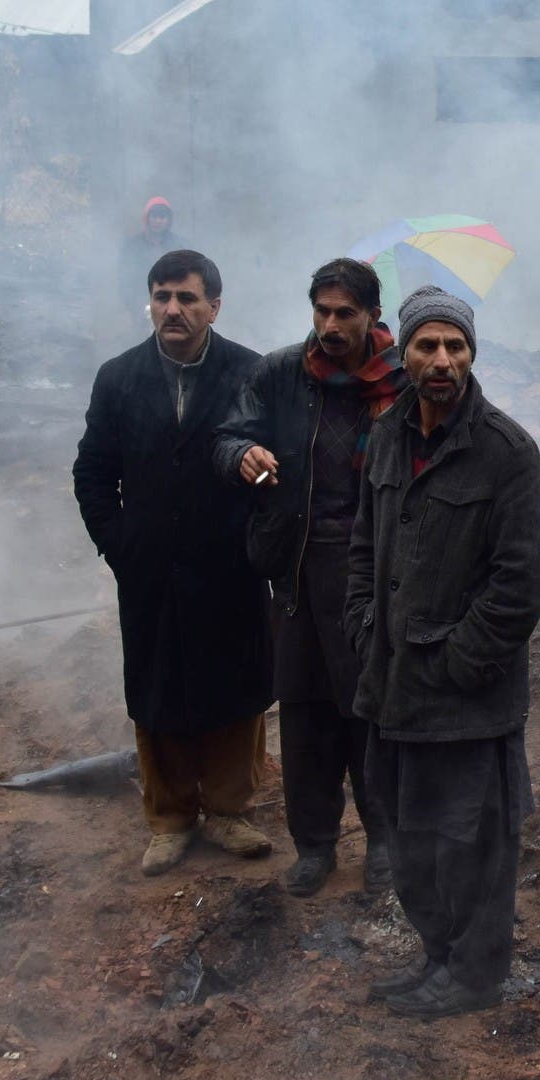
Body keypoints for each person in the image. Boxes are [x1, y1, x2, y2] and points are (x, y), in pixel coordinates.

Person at [344, 286, 540, 1019]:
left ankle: (475, 974)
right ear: (402, 351)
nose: (441, 360)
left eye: (455, 346)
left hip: (468, 702)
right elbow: (365, 543)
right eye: (427, 345)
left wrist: (458, 662)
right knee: (408, 837)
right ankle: (438, 956)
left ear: (471, 354)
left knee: (474, 848)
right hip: (391, 686)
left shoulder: (506, 452)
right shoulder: (389, 437)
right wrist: (365, 625)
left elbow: (521, 584)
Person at [71, 248, 276, 876]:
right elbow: (93, 473)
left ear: (215, 305)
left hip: (229, 565)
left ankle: (231, 811)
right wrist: (121, 545)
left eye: (187, 298)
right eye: (162, 296)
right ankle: (169, 819)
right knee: (157, 686)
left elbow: (278, 462)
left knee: (235, 685)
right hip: (151, 567)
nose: (173, 309)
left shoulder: (251, 373)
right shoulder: (119, 377)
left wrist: (257, 538)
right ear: (150, 303)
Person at [215, 258, 403, 898]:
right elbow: (228, 436)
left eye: (344, 313)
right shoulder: (280, 374)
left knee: (370, 712)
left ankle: (385, 842)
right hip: (296, 569)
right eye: (321, 311)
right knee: (304, 715)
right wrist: (244, 455)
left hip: (372, 572)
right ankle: (316, 845)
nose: (330, 324)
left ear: (372, 315)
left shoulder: (401, 382)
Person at [120, 197, 178, 315]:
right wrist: (135, 306)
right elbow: (125, 280)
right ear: (147, 218)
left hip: (173, 303)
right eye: (154, 217)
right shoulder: (132, 246)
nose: (158, 221)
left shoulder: (179, 245)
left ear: (168, 220)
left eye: (162, 217)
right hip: (141, 304)